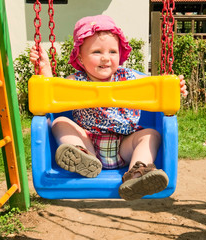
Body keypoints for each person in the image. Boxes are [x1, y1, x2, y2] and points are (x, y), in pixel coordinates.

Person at [30, 15, 188, 201]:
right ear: (80, 57)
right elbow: (52, 90)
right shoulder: (77, 81)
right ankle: (79, 155)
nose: (106, 58)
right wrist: (45, 68)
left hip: (124, 144)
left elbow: (158, 86)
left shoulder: (129, 77)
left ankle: (137, 175)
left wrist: (173, 86)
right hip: (88, 143)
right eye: (97, 52)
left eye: (113, 52)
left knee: (151, 134)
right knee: (60, 122)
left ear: (120, 55)